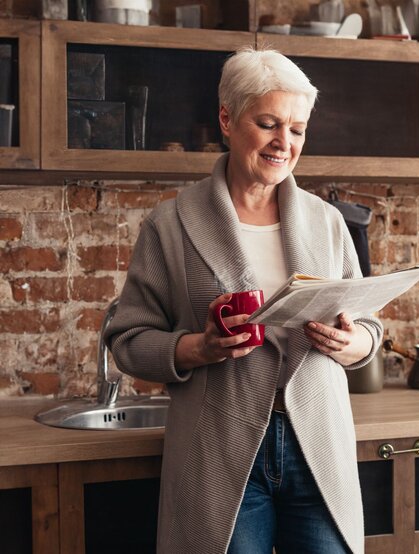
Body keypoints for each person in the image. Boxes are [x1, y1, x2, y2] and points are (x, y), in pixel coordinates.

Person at [104, 47, 382, 554]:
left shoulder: (328, 222)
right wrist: (199, 348)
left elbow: (368, 330)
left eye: (297, 129)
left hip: (318, 445)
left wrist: (352, 342)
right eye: (269, 124)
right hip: (218, 449)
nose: (284, 143)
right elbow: (128, 342)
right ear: (227, 120)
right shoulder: (170, 224)